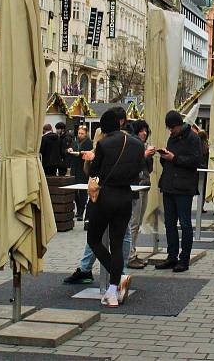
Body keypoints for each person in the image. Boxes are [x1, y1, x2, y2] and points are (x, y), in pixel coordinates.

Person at [85, 108, 146, 307]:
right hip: (126, 196)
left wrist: (90, 161)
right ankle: (112, 291)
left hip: (106, 197)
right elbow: (138, 171)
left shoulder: (103, 144)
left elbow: (94, 173)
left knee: (94, 240)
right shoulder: (138, 144)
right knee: (117, 243)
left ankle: (117, 278)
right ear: (119, 123)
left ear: (103, 127)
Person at [156, 110, 202, 273]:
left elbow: (196, 161)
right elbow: (171, 161)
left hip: (184, 187)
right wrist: (164, 156)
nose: (170, 131)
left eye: (171, 128)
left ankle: (184, 259)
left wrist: (174, 158)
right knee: (169, 223)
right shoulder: (172, 138)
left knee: (185, 223)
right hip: (169, 184)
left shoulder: (193, 138)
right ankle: (171, 256)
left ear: (178, 125)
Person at [127, 119, 155, 269]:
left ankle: (132, 252)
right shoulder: (132, 144)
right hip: (135, 187)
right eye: (141, 130)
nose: (144, 133)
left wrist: (150, 157)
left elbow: (148, 170)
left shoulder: (143, 145)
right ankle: (129, 255)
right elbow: (131, 164)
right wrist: (144, 155)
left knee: (137, 222)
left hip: (144, 186)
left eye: (146, 130)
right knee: (134, 222)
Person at [67, 126, 93, 222]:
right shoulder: (75, 141)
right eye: (79, 133)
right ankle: (78, 209)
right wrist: (69, 150)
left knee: (82, 192)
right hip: (75, 167)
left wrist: (81, 153)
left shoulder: (88, 143)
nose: (80, 135)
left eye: (82, 133)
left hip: (83, 169)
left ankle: (81, 212)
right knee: (74, 191)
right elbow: (70, 149)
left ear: (86, 134)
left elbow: (90, 154)